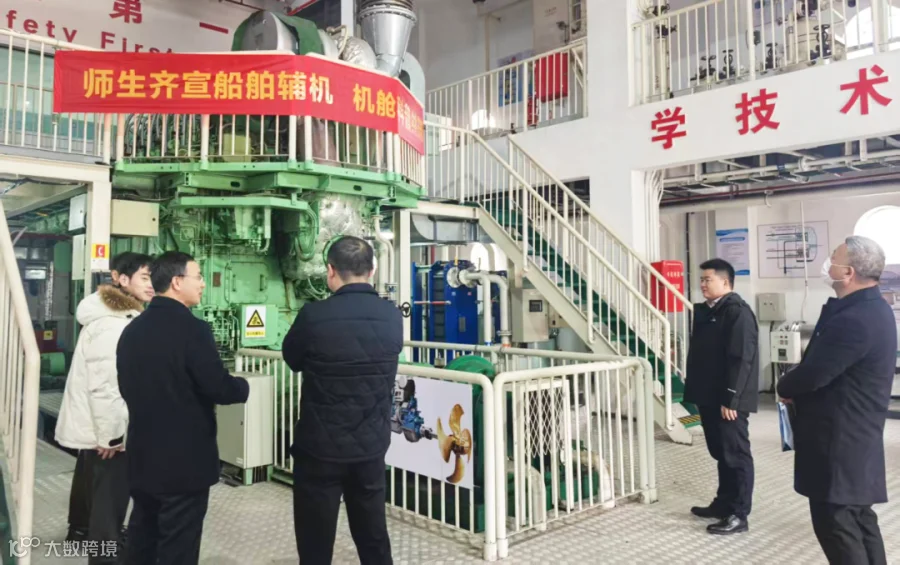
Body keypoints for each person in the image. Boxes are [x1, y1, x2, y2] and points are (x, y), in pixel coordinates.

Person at [116, 251, 249, 565]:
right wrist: (243, 386)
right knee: (178, 547)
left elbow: (125, 387)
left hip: (143, 456)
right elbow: (218, 387)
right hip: (183, 464)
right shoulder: (193, 330)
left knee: (143, 538)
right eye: (198, 277)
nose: (203, 284)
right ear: (177, 282)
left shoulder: (132, 330)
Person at [283, 236, 402, 565]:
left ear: (330, 271)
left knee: (315, 540)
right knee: (373, 534)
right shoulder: (391, 316)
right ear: (372, 270)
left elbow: (292, 359)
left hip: (320, 448)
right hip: (370, 446)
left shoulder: (314, 315)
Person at [777, 236, 894, 565]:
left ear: (848, 272)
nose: (827, 262)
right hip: (854, 435)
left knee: (837, 525)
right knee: (860, 520)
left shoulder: (854, 319)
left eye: (834, 257)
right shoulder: (872, 308)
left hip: (838, 439)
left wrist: (784, 384)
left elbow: (815, 374)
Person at [56, 252, 155, 562]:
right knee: (110, 497)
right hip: (105, 425)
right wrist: (112, 436)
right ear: (122, 279)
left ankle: (80, 531)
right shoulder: (115, 324)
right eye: (145, 277)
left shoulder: (110, 316)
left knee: (91, 481)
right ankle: (104, 555)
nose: (151, 284)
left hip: (93, 422)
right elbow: (106, 385)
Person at [684, 258, 758, 535]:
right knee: (721, 452)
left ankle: (739, 514)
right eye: (701, 280)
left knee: (736, 455)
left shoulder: (737, 312)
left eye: (708, 279)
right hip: (709, 396)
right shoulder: (709, 311)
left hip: (728, 401)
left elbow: (741, 359)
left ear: (725, 282)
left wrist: (731, 399)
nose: (702, 284)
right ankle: (723, 504)